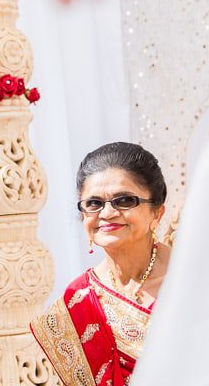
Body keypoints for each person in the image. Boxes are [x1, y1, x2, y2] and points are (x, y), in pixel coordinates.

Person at [30, 142, 171, 385]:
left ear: (156, 213)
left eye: (124, 200)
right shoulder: (75, 302)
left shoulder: (190, 279)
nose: (106, 213)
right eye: (94, 204)